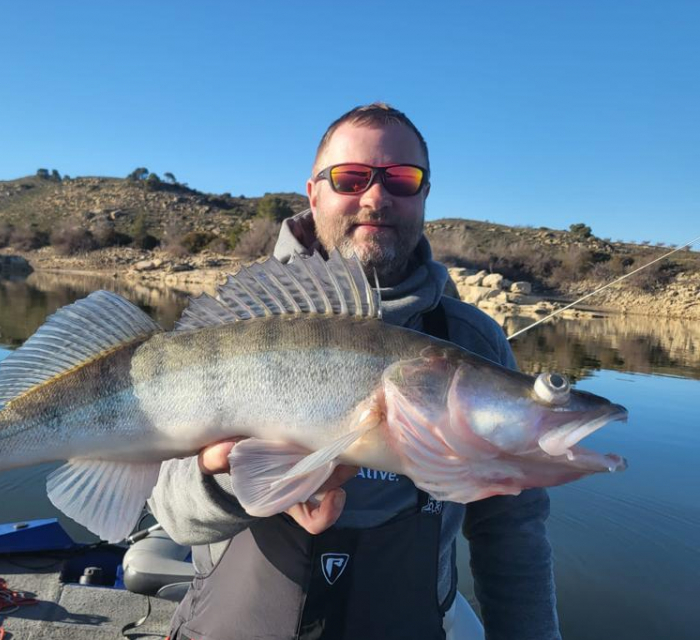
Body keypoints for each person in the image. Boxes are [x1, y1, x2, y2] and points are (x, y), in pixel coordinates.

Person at [148, 103, 560, 640]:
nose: (375, 197)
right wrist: (225, 474)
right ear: (313, 192)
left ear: (425, 195)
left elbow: (512, 530)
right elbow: (170, 514)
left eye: (402, 179)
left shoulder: (473, 342)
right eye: (350, 177)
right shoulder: (237, 324)